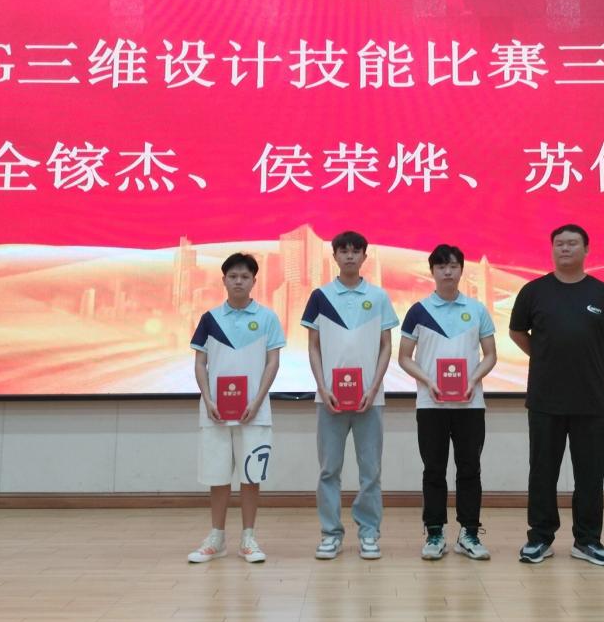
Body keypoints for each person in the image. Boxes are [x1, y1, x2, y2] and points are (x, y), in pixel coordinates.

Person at [508, 224, 604, 566]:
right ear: (552, 249)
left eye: (572, 243)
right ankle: (540, 538)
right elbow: (517, 331)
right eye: (559, 244)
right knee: (542, 473)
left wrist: (594, 358)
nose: (565, 248)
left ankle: (587, 541)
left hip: (590, 400)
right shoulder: (534, 291)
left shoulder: (603, 294)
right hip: (545, 399)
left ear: (586, 250)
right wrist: (544, 355)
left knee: (590, 475)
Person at [397, 243, 497, 561]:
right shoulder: (419, 311)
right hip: (431, 405)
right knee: (434, 470)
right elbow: (404, 357)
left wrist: (472, 380)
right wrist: (428, 381)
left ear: (461, 270)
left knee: (470, 469)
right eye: (441, 266)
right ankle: (435, 533)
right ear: (432, 271)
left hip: (470, 404)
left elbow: (490, 355)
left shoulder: (477, 310)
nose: (448, 272)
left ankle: (469, 534)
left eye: (453, 266)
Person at [302, 230, 398, 560]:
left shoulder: (379, 296)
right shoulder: (320, 296)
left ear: (364, 257)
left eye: (356, 251)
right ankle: (331, 534)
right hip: (329, 400)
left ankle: (369, 533)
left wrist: (374, 387)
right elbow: (313, 347)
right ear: (334, 256)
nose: (350, 256)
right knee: (329, 470)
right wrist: (322, 386)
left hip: (370, 400)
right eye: (343, 251)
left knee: (370, 472)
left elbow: (386, 346)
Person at [187, 252, 284, 564]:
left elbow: (273, 362)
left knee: (251, 475)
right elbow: (200, 363)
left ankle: (248, 538)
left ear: (254, 281)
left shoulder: (267, 318)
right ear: (224, 280)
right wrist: (208, 398)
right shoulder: (210, 319)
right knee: (217, 476)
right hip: (215, 412)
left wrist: (257, 400)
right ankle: (216, 538)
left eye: (244, 277)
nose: (238, 281)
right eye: (233, 276)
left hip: (254, 413)